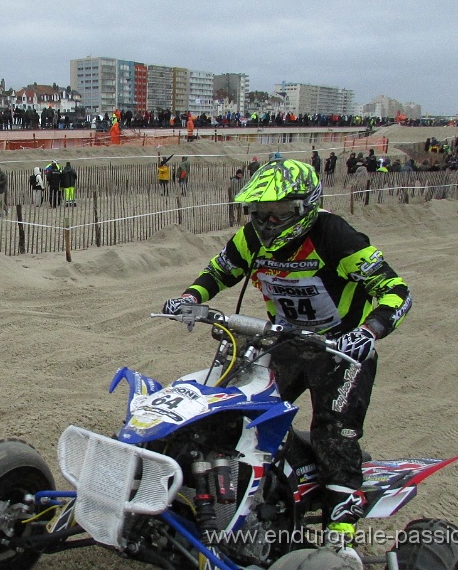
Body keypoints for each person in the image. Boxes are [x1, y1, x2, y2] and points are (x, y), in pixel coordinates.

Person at [161, 158, 411, 550]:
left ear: (305, 207)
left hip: (339, 350)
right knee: (238, 413)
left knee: (333, 432)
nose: (268, 222)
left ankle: (340, 531)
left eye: (279, 213)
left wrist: (369, 332)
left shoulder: (335, 236)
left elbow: (396, 291)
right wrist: (190, 298)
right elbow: (221, 270)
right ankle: (248, 493)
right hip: (285, 343)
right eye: (261, 213)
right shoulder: (251, 238)